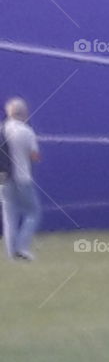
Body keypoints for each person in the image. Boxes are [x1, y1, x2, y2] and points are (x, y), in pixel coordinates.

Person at [1, 97, 41, 261]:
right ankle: (22, 247)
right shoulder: (26, 131)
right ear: (24, 113)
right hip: (22, 177)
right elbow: (34, 156)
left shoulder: (2, 129)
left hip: (3, 178)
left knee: (9, 216)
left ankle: (12, 253)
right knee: (33, 212)